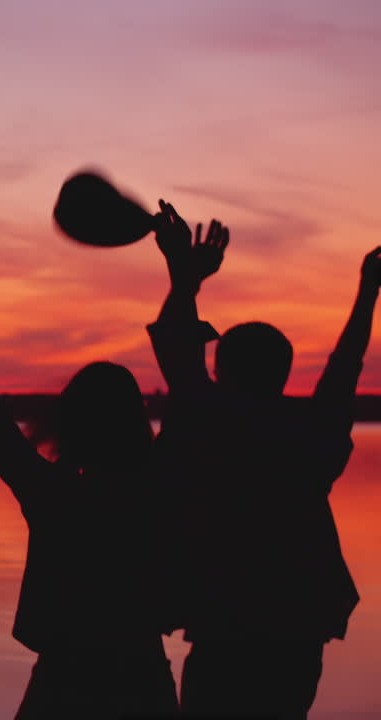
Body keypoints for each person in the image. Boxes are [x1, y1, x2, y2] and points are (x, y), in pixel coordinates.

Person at [0, 258, 178, 716]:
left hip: (63, 682)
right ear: (137, 423)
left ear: (71, 422)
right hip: (142, 677)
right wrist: (183, 278)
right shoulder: (158, 487)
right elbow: (190, 393)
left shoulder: (52, 493)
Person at [150, 201, 374, 719]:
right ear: (283, 374)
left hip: (221, 627)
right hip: (295, 632)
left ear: (222, 372)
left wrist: (185, 278)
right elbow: (344, 372)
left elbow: (181, 356)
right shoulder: (309, 433)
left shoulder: (207, 424)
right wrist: (368, 293)